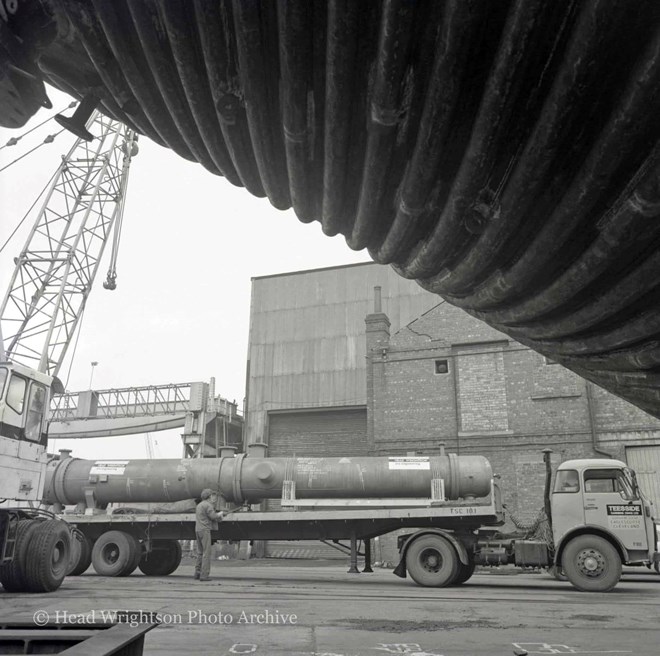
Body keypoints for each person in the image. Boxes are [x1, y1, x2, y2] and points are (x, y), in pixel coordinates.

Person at [194, 489, 224, 581]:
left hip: (198, 530)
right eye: (212, 495)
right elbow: (213, 516)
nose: (213, 497)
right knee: (206, 553)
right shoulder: (208, 505)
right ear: (209, 496)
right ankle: (204, 575)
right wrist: (220, 514)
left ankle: (197, 573)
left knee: (200, 552)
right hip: (205, 530)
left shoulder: (199, 505)